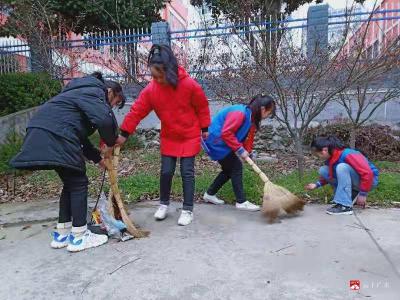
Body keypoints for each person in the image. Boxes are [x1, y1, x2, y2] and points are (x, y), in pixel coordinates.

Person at [10, 72, 125, 252]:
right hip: (57, 136)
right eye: (115, 102)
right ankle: (79, 236)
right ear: (110, 91)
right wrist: (111, 142)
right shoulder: (94, 91)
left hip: (41, 132)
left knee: (71, 184)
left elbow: (79, 136)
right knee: (79, 183)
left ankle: (62, 233)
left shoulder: (78, 92)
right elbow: (104, 119)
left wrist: (97, 158)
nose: (112, 106)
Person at [116, 44, 210, 226]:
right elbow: (137, 111)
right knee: (166, 171)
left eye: (159, 75)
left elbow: (202, 106)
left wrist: (205, 128)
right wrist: (124, 133)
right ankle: (163, 204)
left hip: (189, 134)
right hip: (169, 136)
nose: (156, 79)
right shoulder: (152, 90)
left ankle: (188, 209)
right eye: (153, 76)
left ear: (170, 70)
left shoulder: (190, 85)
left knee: (187, 172)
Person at [202, 94, 276, 211]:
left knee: (229, 170)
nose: (268, 116)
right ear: (262, 109)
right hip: (215, 141)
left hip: (222, 142)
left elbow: (247, 137)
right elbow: (226, 133)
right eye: (269, 112)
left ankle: (209, 194)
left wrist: (247, 152)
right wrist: (240, 150)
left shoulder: (250, 117)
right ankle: (241, 201)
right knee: (236, 167)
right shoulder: (239, 113)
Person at [305, 136, 379, 215]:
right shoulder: (331, 158)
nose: (317, 157)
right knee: (323, 170)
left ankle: (345, 206)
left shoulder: (348, 154)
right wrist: (317, 185)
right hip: (358, 180)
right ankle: (350, 196)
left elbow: (368, 173)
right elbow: (330, 174)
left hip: (370, 181)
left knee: (341, 167)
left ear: (324, 150)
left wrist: (363, 194)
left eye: (317, 155)